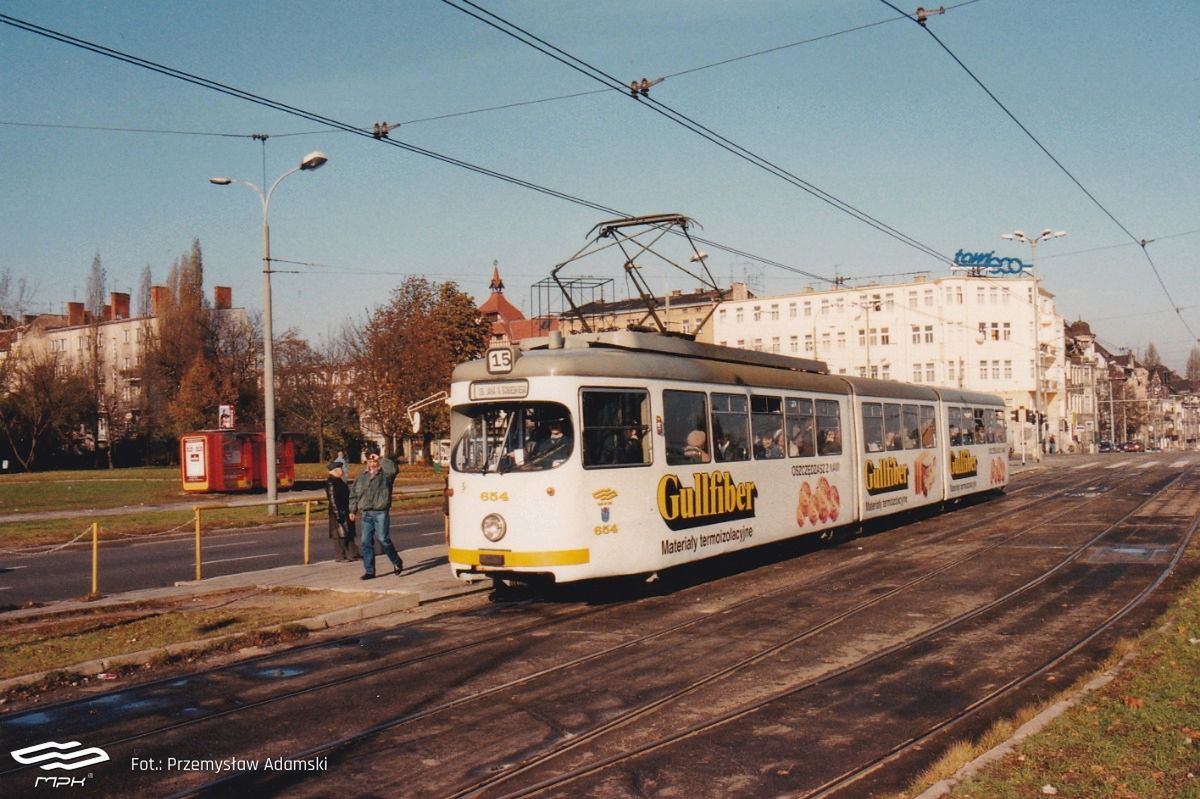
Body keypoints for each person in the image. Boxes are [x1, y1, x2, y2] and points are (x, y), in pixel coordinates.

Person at [349, 446, 403, 580]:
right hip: (366, 513)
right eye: (370, 460)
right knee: (366, 542)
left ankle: (396, 561)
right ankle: (369, 571)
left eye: (374, 460)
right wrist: (352, 509)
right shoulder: (362, 477)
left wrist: (381, 459)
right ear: (366, 461)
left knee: (383, 539)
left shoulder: (385, 474)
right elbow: (355, 493)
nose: (372, 463)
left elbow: (393, 469)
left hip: (380, 512)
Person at [325, 461, 359, 562]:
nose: (342, 470)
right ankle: (341, 556)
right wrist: (337, 514)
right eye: (340, 469)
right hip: (338, 512)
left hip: (344, 510)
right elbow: (332, 499)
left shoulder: (338, 481)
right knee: (340, 535)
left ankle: (353, 554)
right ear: (335, 471)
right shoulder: (331, 482)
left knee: (348, 533)